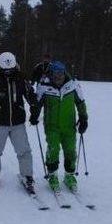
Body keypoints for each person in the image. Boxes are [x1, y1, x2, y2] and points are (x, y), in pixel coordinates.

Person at [0, 52, 38, 194]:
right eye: (6, 70)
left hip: (18, 122)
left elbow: (30, 94)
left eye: (11, 69)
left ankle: (27, 175)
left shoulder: (21, 78)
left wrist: (34, 106)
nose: (8, 72)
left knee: (24, 150)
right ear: (0, 67)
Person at [30, 61, 88, 193]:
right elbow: (37, 103)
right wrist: (34, 115)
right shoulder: (44, 86)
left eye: (61, 74)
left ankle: (69, 176)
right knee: (53, 149)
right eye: (55, 74)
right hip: (52, 126)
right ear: (51, 73)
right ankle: (52, 176)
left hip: (69, 126)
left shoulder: (72, 85)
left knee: (70, 151)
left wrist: (83, 118)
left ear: (64, 73)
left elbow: (80, 102)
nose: (58, 77)